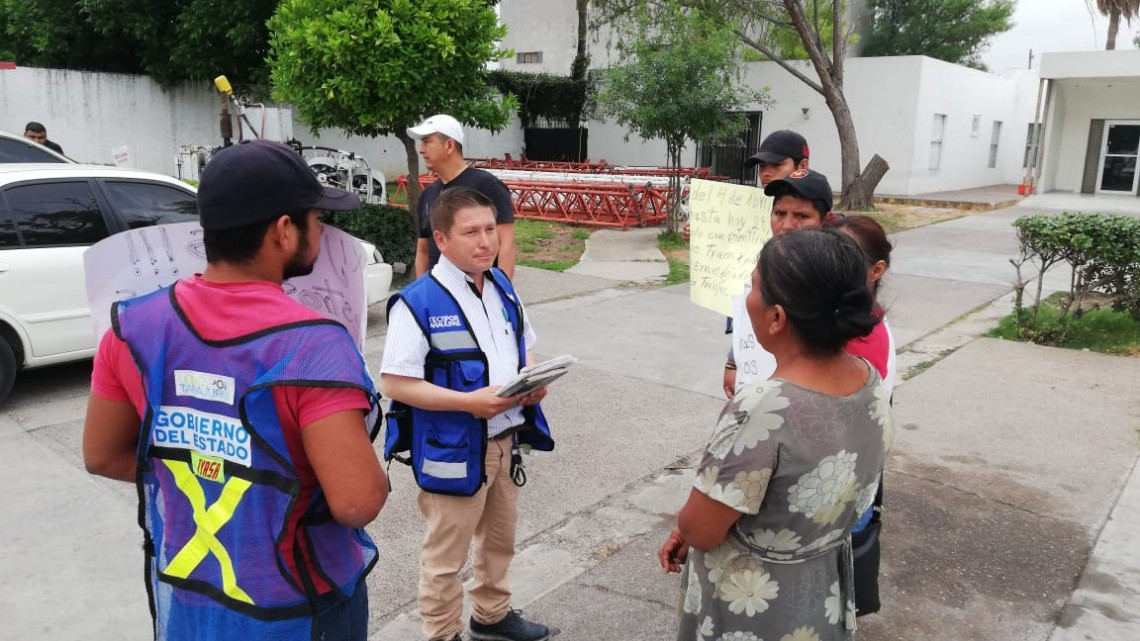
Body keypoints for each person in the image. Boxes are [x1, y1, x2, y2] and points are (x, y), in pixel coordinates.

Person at [82, 139, 388, 641]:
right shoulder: (314, 347)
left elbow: (101, 454)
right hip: (299, 607)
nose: (324, 231)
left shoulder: (132, 328)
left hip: (196, 595)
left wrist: (209, 469)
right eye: (316, 217)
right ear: (284, 231)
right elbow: (357, 502)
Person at [659, 227, 893, 641]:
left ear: (777, 317)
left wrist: (687, 525)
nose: (747, 297)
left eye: (752, 286)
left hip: (754, 606)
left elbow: (701, 529)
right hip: (823, 590)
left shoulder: (763, 407)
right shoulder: (869, 381)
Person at [381, 187, 554, 641]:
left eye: (490, 229)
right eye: (471, 232)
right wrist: (468, 403)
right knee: (445, 557)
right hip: (452, 445)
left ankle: (491, 616)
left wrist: (530, 380)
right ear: (441, 239)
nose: (486, 242)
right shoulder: (418, 302)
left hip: (504, 439)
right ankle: (441, 634)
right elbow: (395, 383)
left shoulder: (501, 287)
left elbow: (524, 346)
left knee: (499, 543)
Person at [726, 168, 836, 397]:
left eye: (802, 216)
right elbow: (746, 324)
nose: (786, 225)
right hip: (754, 397)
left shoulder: (835, 282)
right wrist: (733, 362)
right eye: (779, 214)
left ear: (827, 221)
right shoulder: (759, 269)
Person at [408, 114, 516, 279]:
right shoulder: (427, 195)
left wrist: (504, 294)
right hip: (438, 295)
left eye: (427, 142)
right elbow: (423, 250)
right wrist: (422, 293)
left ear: (449, 145)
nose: (421, 149)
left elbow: (506, 243)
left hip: (479, 294)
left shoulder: (488, 186)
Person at [682, 129, 810, 243]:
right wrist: (700, 234)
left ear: (802, 166)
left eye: (776, 165)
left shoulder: (816, 206)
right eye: (762, 166)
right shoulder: (749, 207)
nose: (765, 173)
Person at [826, 215, 897, 397]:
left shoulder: (860, 343)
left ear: (877, 270)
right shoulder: (861, 317)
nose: (831, 266)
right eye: (828, 255)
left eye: (845, 259)